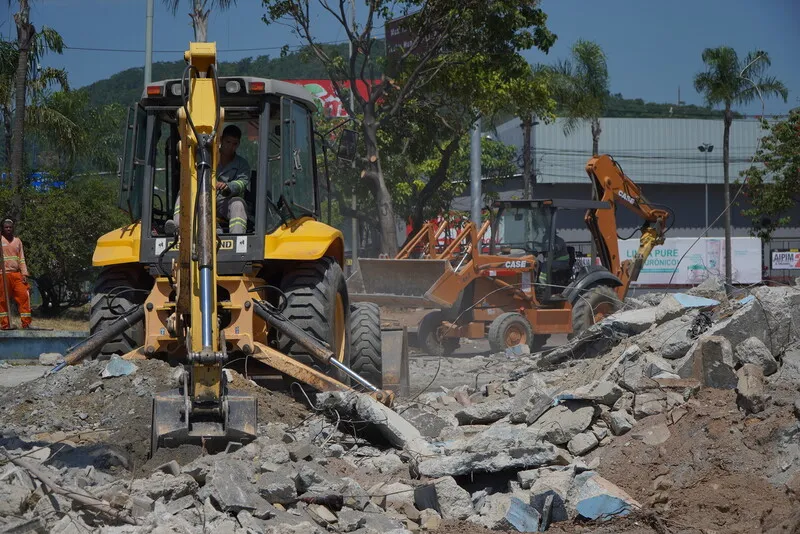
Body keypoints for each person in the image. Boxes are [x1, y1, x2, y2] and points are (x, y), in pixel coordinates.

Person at [172, 124, 251, 234]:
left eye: (234, 143)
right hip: (202, 197)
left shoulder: (242, 164)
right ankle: (177, 227)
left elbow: (242, 182)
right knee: (184, 192)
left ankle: (237, 238)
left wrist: (228, 186)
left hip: (224, 203)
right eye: (228, 142)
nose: (230, 146)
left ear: (238, 144)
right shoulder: (206, 157)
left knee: (238, 204)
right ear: (221, 140)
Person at [0, 218, 31, 329]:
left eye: (10, 227)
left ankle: (26, 323)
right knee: (3, 300)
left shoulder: (18, 241)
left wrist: (24, 273)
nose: (8, 229)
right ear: (2, 229)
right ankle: (5, 325)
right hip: (2, 274)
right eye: (6, 227)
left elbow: (21, 258)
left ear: (13, 228)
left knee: (24, 296)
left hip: (16, 274)